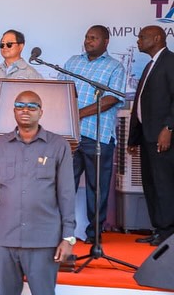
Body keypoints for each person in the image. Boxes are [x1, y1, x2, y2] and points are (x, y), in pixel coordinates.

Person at [0, 90, 76, 295]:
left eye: (32, 106)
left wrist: (68, 238)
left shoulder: (58, 146)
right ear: (13, 110)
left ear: (41, 112)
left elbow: (66, 195)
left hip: (43, 241)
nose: (25, 110)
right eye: (20, 105)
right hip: (4, 240)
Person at [58, 25, 124, 244]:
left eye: (94, 38)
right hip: (70, 135)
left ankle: (94, 234)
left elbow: (111, 98)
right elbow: (59, 91)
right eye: (87, 37)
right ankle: (63, 232)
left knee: (97, 188)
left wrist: (78, 114)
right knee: (65, 185)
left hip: (98, 136)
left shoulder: (115, 67)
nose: (88, 41)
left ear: (106, 41)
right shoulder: (72, 62)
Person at [128, 25, 174, 247]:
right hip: (147, 136)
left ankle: (168, 233)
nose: (138, 41)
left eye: (142, 37)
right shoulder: (150, 65)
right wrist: (133, 138)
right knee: (151, 184)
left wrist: (169, 128)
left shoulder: (170, 62)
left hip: (163, 136)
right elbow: (141, 102)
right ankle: (159, 229)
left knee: (164, 185)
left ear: (157, 38)